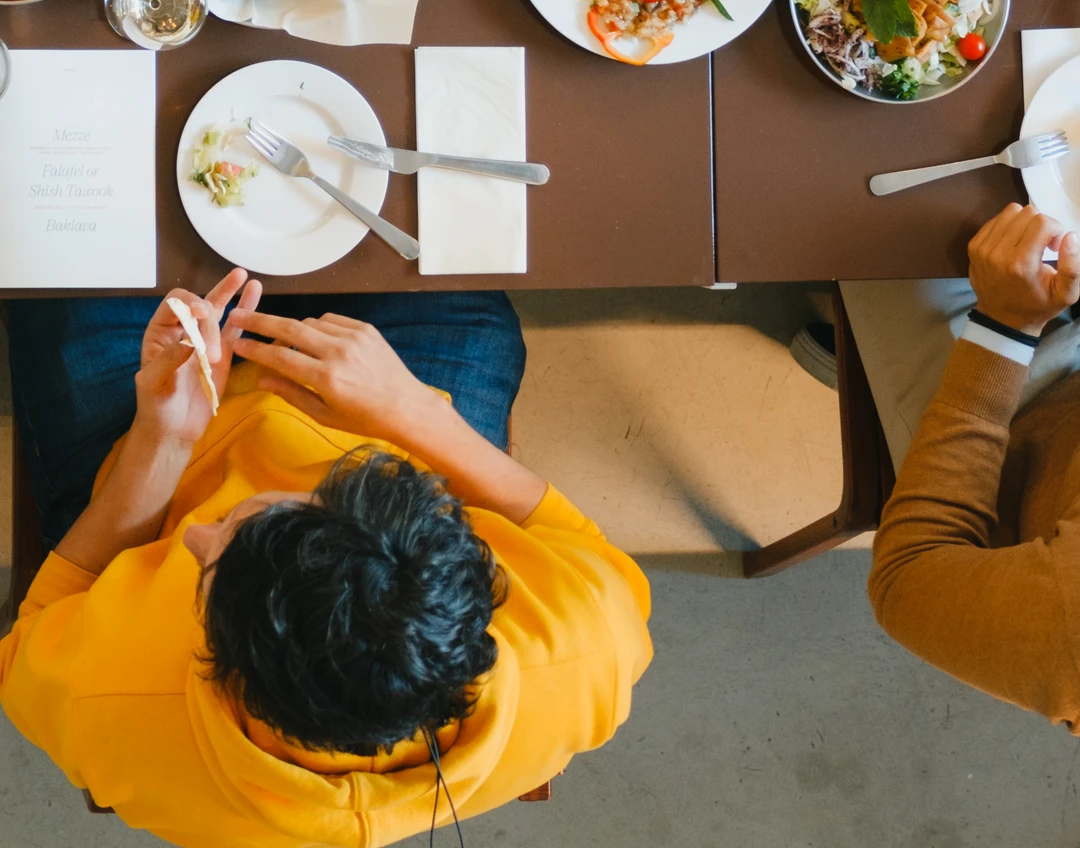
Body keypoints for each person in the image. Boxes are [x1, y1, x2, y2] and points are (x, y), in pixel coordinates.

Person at [0, 275, 651, 841]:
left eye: (213, 557)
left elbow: (46, 610)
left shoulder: (112, 705)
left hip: (144, 453)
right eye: (232, 519)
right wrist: (410, 411)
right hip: (408, 413)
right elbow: (569, 538)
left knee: (55, 258)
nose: (195, 539)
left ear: (225, 665)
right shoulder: (584, 651)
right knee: (454, 260)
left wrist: (163, 442)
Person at [842, 202, 1080, 723]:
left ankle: (852, 359)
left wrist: (1005, 327)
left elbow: (907, 577)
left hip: (1009, 418)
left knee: (864, 215)